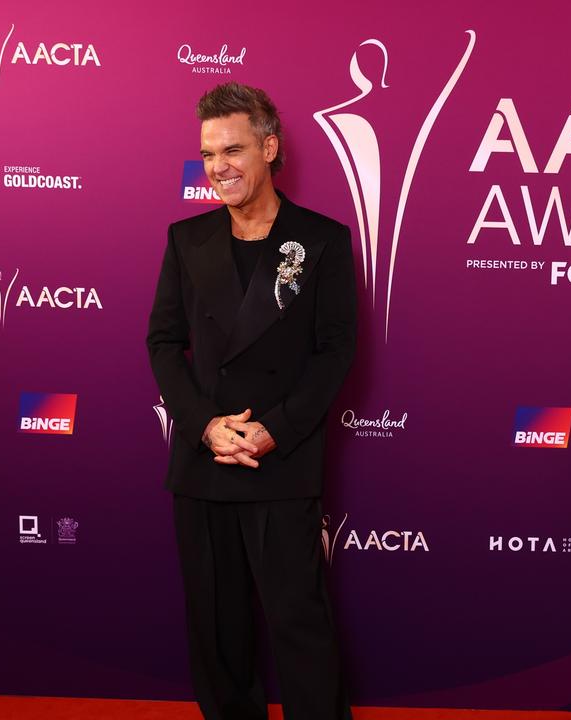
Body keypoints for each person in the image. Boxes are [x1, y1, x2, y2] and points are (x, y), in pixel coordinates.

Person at [146, 81, 357, 720]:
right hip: (205, 463)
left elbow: (335, 352)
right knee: (217, 634)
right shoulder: (187, 240)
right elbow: (162, 342)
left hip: (280, 463)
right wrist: (204, 425)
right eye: (208, 154)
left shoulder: (321, 241)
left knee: (299, 627)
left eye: (232, 150)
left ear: (269, 148)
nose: (218, 167)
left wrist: (274, 430)